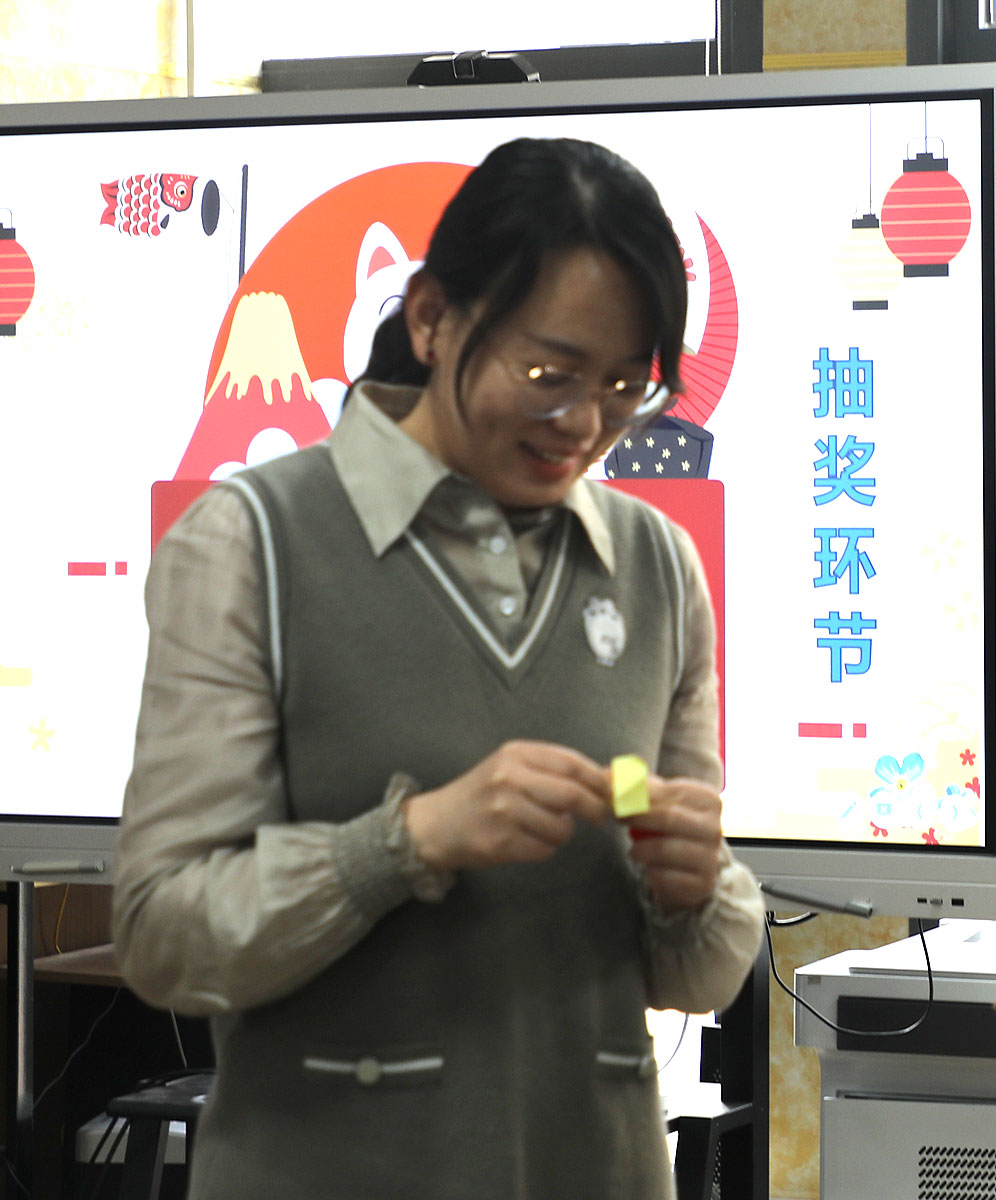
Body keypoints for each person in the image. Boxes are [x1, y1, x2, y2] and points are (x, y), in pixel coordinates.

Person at [113, 137, 764, 1200]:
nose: (584, 425)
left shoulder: (656, 565)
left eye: (623, 388)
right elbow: (161, 934)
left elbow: (693, 974)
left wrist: (695, 889)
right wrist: (403, 843)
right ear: (429, 317)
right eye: (548, 375)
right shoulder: (250, 540)